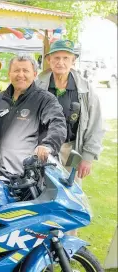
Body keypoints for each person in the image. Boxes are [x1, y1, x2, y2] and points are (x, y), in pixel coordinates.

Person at [36, 39, 103, 183]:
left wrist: (88, 157)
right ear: (49, 60)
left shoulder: (86, 90)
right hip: (43, 148)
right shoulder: (37, 85)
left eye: (66, 58)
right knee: (40, 192)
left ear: (73, 61)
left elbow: (96, 125)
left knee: (70, 193)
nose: (61, 62)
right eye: (56, 58)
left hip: (72, 149)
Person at [0, 55, 66, 175]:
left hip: (24, 178)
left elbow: (58, 125)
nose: (20, 75)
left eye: (25, 70)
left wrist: (48, 145)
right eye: (16, 70)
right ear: (9, 74)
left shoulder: (45, 100)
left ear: (35, 74)